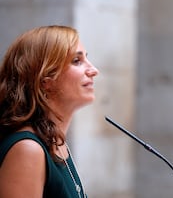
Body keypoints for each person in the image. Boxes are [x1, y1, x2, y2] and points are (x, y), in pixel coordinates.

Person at [0, 25, 99, 198]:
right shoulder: (28, 150)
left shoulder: (55, 142)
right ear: (45, 80)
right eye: (77, 61)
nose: (93, 70)